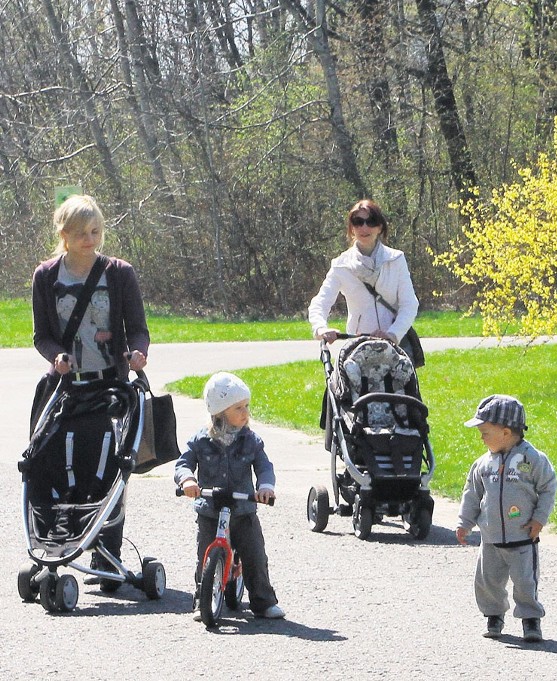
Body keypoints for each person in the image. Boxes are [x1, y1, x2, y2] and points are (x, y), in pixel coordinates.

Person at [31, 193, 149, 589]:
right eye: (82, 232)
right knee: (48, 464)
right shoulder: (46, 276)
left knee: (111, 465)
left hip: (110, 388)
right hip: (63, 388)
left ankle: (107, 551)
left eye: (96, 230)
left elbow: (137, 327)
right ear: (64, 234)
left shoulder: (118, 273)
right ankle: (55, 539)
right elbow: (41, 336)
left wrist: (137, 353)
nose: (91, 238)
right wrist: (57, 356)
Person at [174, 372, 285, 621]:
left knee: (255, 555)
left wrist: (265, 487)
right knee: (204, 554)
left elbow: (264, 466)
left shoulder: (251, 440)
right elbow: (184, 463)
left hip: (243, 510)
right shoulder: (201, 440)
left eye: (247, 406)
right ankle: (202, 600)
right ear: (220, 413)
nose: (245, 413)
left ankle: (263, 601)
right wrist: (187, 480)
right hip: (210, 509)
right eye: (238, 408)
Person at [455, 395, 557, 642]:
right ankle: (494, 616)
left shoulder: (532, 459)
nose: (481, 437)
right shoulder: (482, 465)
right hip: (490, 539)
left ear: (505, 432)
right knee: (487, 582)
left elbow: (547, 488)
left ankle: (531, 620)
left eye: (485, 432)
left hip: (522, 536)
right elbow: (472, 494)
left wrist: (539, 519)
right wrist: (465, 522)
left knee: (525, 583)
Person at [308, 199, 419, 360]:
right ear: (351, 228)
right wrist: (321, 328)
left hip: (395, 349)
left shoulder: (396, 260)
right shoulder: (341, 265)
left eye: (371, 222)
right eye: (358, 222)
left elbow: (409, 304)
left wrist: (393, 334)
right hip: (358, 349)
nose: (364, 227)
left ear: (380, 227)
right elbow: (320, 303)